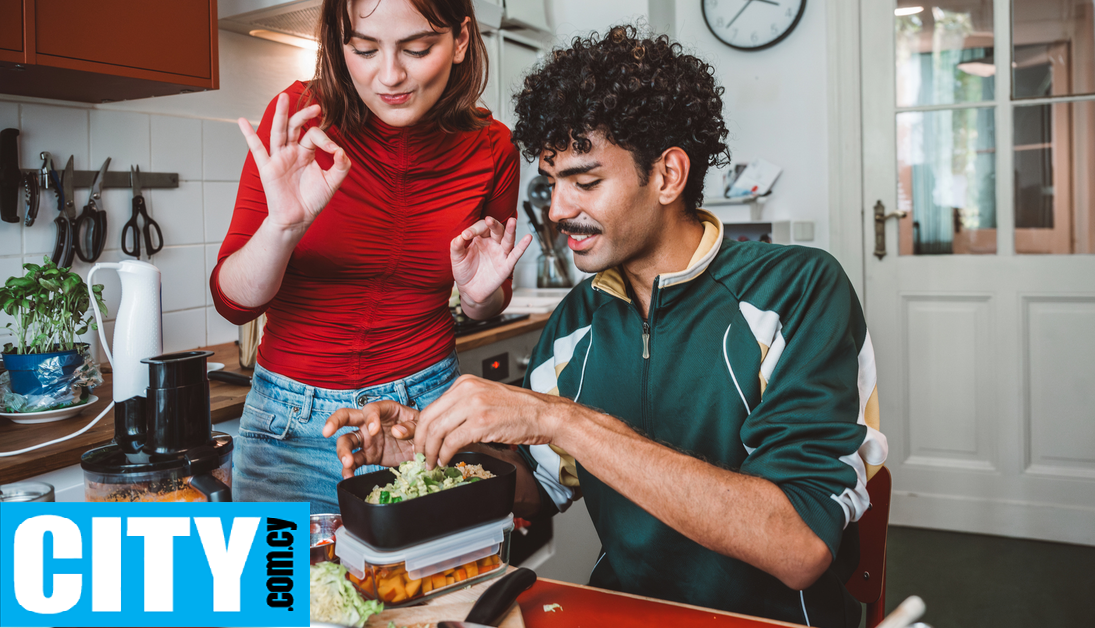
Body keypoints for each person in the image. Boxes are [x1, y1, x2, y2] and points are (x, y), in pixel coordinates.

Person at [324, 26, 888, 627]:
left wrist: (558, 418)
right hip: (619, 610)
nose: (560, 208)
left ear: (668, 175)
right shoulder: (578, 318)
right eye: (552, 182)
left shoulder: (797, 290)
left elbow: (799, 545)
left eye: (586, 182)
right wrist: (440, 450)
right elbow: (538, 486)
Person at [210, 0, 531, 513]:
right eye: (363, 49)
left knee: (439, 591)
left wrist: (479, 295)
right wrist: (282, 227)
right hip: (289, 432)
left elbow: (486, 306)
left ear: (462, 40)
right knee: (284, 594)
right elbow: (233, 302)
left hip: (424, 420)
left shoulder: (491, 147)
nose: (390, 75)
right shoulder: (299, 119)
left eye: (418, 48)